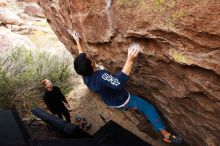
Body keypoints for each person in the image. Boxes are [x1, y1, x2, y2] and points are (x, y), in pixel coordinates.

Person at [69, 30, 183, 143]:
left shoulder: (85, 75)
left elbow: (81, 57)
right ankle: (166, 136)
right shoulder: (101, 76)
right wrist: (130, 59)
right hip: (123, 100)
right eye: (89, 59)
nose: (89, 57)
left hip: (111, 101)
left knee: (136, 106)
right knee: (149, 108)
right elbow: (118, 84)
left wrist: (78, 42)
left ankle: (134, 110)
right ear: (91, 65)